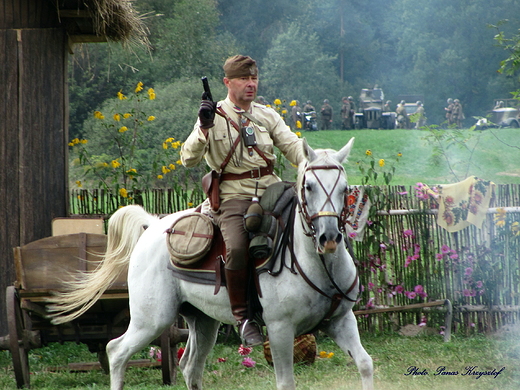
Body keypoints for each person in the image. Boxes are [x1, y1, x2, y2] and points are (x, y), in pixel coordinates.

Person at [181, 55, 304, 347]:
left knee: (307, 227)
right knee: (236, 247)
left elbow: (292, 146)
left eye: (254, 79)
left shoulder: (267, 115)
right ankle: (244, 316)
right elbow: (188, 159)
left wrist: (320, 161)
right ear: (227, 82)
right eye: (244, 79)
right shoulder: (213, 117)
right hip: (233, 196)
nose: (251, 84)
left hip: (272, 189)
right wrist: (204, 128)